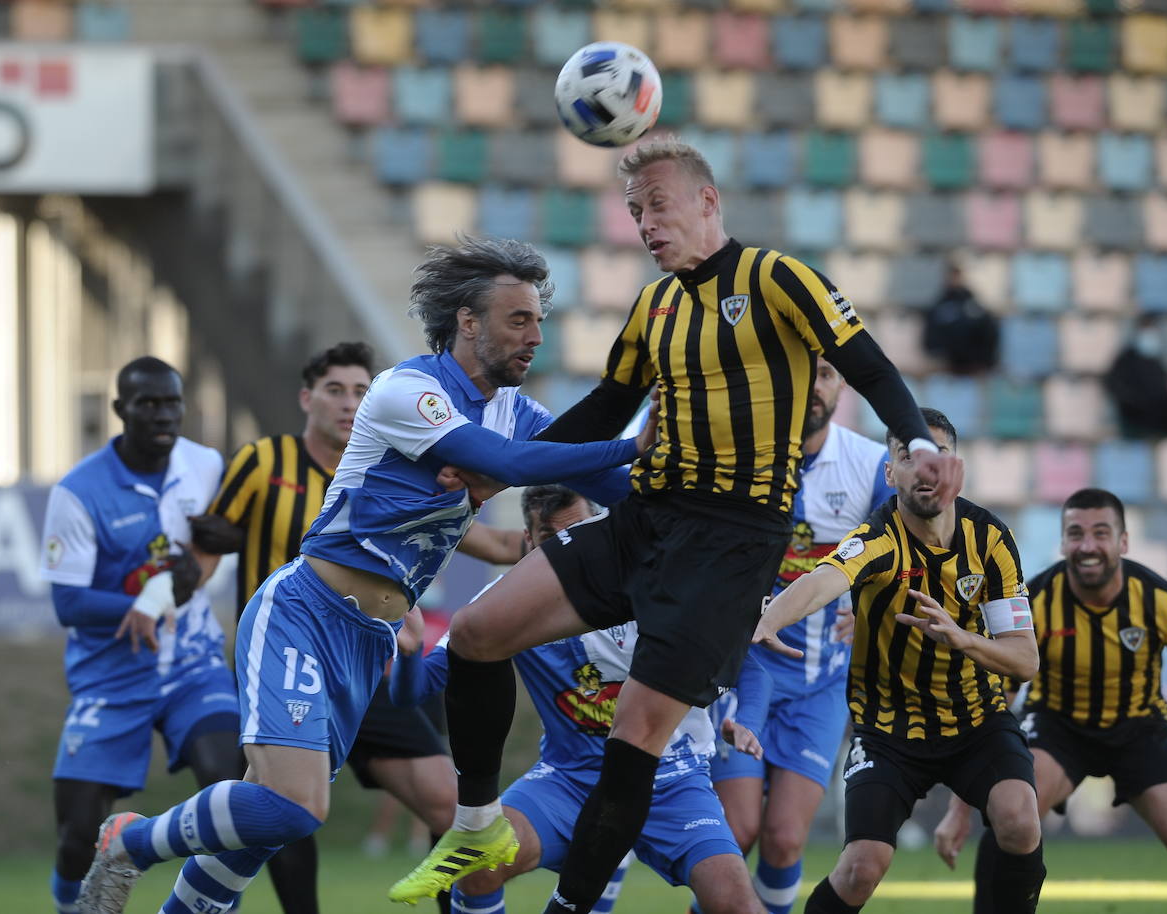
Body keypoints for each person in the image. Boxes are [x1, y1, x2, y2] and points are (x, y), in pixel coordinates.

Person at [392, 137, 962, 914]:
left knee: (633, 748)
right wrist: (503, 465)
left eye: (657, 205)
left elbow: (868, 364)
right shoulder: (655, 304)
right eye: (635, 213)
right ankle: (476, 823)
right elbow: (603, 408)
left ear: (707, 201)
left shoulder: (777, 278)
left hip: (732, 546)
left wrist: (919, 442)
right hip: (646, 517)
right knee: (479, 632)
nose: (646, 225)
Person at [76, 236, 654, 914]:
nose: (536, 335)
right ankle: (130, 840)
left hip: (369, 642)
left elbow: (593, 477)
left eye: (539, 319)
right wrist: (633, 441)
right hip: (306, 612)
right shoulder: (409, 390)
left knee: (259, 828)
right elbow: (519, 463)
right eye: (518, 319)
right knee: (296, 808)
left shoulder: (512, 410)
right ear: (468, 322)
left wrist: (684, 508)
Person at [189, 341, 507, 914]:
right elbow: (208, 543)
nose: (348, 403)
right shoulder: (264, 462)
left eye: (361, 391)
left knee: (448, 803)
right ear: (307, 398)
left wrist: (572, 542)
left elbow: (493, 542)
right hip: (289, 650)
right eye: (334, 390)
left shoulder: (400, 473)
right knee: (285, 814)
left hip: (369, 663)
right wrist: (165, 595)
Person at [390, 485, 774, 914]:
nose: (570, 550)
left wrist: (749, 723)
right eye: (553, 541)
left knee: (738, 903)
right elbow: (411, 694)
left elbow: (753, 670)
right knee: (477, 865)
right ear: (530, 543)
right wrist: (409, 651)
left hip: (674, 782)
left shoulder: (661, 585)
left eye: (582, 531)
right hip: (568, 782)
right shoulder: (503, 607)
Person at [754, 408, 1046, 914]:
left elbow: (1025, 660)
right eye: (909, 457)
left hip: (975, 719)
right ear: (890, 473)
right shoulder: (879, 538)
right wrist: (767, 620)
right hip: (889, 730)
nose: (924, 469)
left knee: (1020, 820)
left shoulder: (991, 541)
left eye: (936, 457)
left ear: (956, 468)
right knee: (861, 867)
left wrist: (963, 640)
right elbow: (826, 578)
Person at [933, 487, 1167, 914]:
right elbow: (995, 701)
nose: (1087, 546)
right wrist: (960, 809)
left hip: (1139, 727)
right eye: (1075, 533)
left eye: (1101, 533)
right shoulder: (1038, 599)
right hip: (1057, 726)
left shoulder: (1158, 600)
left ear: (1122, 542)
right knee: (1012, 819)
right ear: (1063, 542)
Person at [40, 357, 237, 914]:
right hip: (111, 674)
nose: (162, 414)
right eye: (147, 404)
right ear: (120, 410)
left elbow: (221, 541)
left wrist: (228, 538)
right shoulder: (79, 492)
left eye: (171, 402)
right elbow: (69, 602)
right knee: (77, 837)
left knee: (229, 792)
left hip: (194, 664)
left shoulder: (205, 465)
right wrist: (142, 605)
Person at [700, 357, 894, 914]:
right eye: (800, 370)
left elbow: (900, 554)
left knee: (785, 839)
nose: (813, 385)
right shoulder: (737, 456)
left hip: (821, 683)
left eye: (829, 373)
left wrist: (869, 608)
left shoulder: (868, 465)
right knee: (736, 833)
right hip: (738, 671)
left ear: (842, 387)